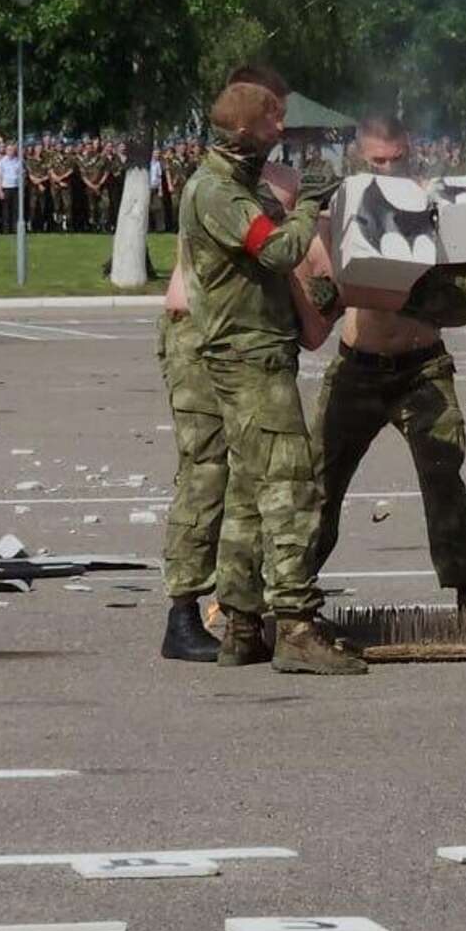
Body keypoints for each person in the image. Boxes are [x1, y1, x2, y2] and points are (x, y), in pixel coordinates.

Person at [179, 73, 360, 675]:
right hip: (250, 359)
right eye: (273, 120)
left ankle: (240, 624)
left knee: (249, 498)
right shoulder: (217, 193)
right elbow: (278, 252)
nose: (281, 129)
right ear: (243, 128)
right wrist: (310, 202)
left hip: (254, 352)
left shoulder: (235, 184)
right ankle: (297, 626)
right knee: (290, 489)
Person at [308, 115, 466, 610]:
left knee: (444, 477)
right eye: (376, 160)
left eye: (396, 158)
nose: (388, 169)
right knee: (318, 483)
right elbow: (313, 274)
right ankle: (289, 592)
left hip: (421, 365)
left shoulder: (431, 204)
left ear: (411, 152)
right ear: (358, 158)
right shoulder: (339, 206)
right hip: (358, 366)